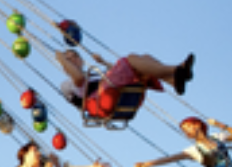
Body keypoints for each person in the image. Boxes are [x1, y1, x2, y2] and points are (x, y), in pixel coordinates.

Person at [56, 50, 196, 117]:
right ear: (65, 67)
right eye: (69, 60)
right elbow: (78, 78)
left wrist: (103, 62)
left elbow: (114, 74)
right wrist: (62, 59)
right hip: (100, 99)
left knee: (144, 58)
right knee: (129, 60)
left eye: (75, 57)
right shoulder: (67, 84)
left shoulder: (93, 75)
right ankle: (176, 70)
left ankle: (173, 80)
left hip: (112, 89)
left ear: (81, 60)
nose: (73, 60)